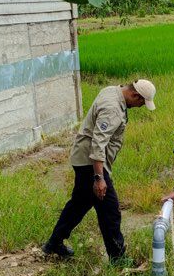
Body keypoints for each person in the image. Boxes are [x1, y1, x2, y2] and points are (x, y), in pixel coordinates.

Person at [42, 79, 157, 264]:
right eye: (141, 102)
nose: (140, 106)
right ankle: (118, 258)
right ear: (135, 95)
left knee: (78, 205)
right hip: (91, 164)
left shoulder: (112, 90)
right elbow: (98, 143)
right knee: (110, 211)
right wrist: (99, 178)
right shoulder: (112, 108)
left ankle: (54, 243)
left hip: (84, 160)